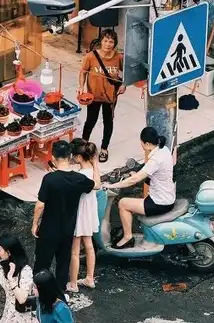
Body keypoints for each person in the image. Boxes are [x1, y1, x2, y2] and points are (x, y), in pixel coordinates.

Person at [32, 139, 95, 292]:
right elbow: (94, 184)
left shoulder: (50, 179)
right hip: (68, 228)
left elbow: (40, 205)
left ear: (53, 157)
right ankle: (60, 293)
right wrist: (94, 164)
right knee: (63, 262)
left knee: (42, 262)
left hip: (49, 228)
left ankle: (39, 291)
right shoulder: (79, 179)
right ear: (70, 156)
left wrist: (35, 223)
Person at [108, 126, 176, 249]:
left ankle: (127, 237)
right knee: (131, 201)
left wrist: (112, 185)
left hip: (159, 202)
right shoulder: (164, 150)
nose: (141, 145)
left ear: (147, 143)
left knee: (123, 203)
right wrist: (137, 174)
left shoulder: (155, 160)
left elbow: (134, 180)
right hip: (167, 197)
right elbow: (154, 173)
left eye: (142, 143)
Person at [79, 28, 125, 163]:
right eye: (105, 41)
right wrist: (81, 87)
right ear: (101, 41)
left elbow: (128, 71)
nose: (108, 44)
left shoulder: (119, 57)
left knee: (108, 122)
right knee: (90, 121)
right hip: (93, 96)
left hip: (110, 97)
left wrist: (124, 84)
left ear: (114, 43)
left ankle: (104, 149)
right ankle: (84, 144)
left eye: (111, 41)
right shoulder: (91, 57)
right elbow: (83, 72)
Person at [68, 138, 101, 292]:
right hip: (90, 210)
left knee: (75, 249)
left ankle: (73, 283)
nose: (73, 158)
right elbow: (98, 185)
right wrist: (96, 165)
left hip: (80, 211)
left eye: (74, 156)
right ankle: (89, 278)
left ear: (79, 157)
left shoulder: (79, 175)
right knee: (88, 244)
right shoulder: (93, 172)